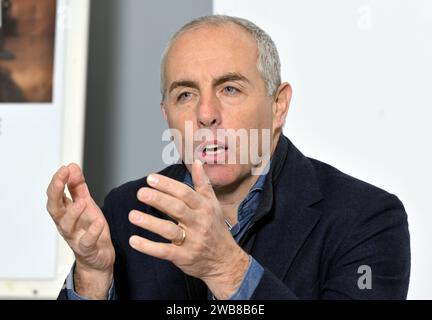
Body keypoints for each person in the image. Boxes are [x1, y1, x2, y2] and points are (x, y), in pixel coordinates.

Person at [47, 15, 410, 300]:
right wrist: (93, 277)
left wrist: (226, 269)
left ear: (278, 105)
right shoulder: (127, 210)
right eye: (185, 94)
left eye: (230, 88)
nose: (206, 114)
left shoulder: (368, 219)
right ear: (166, 114)